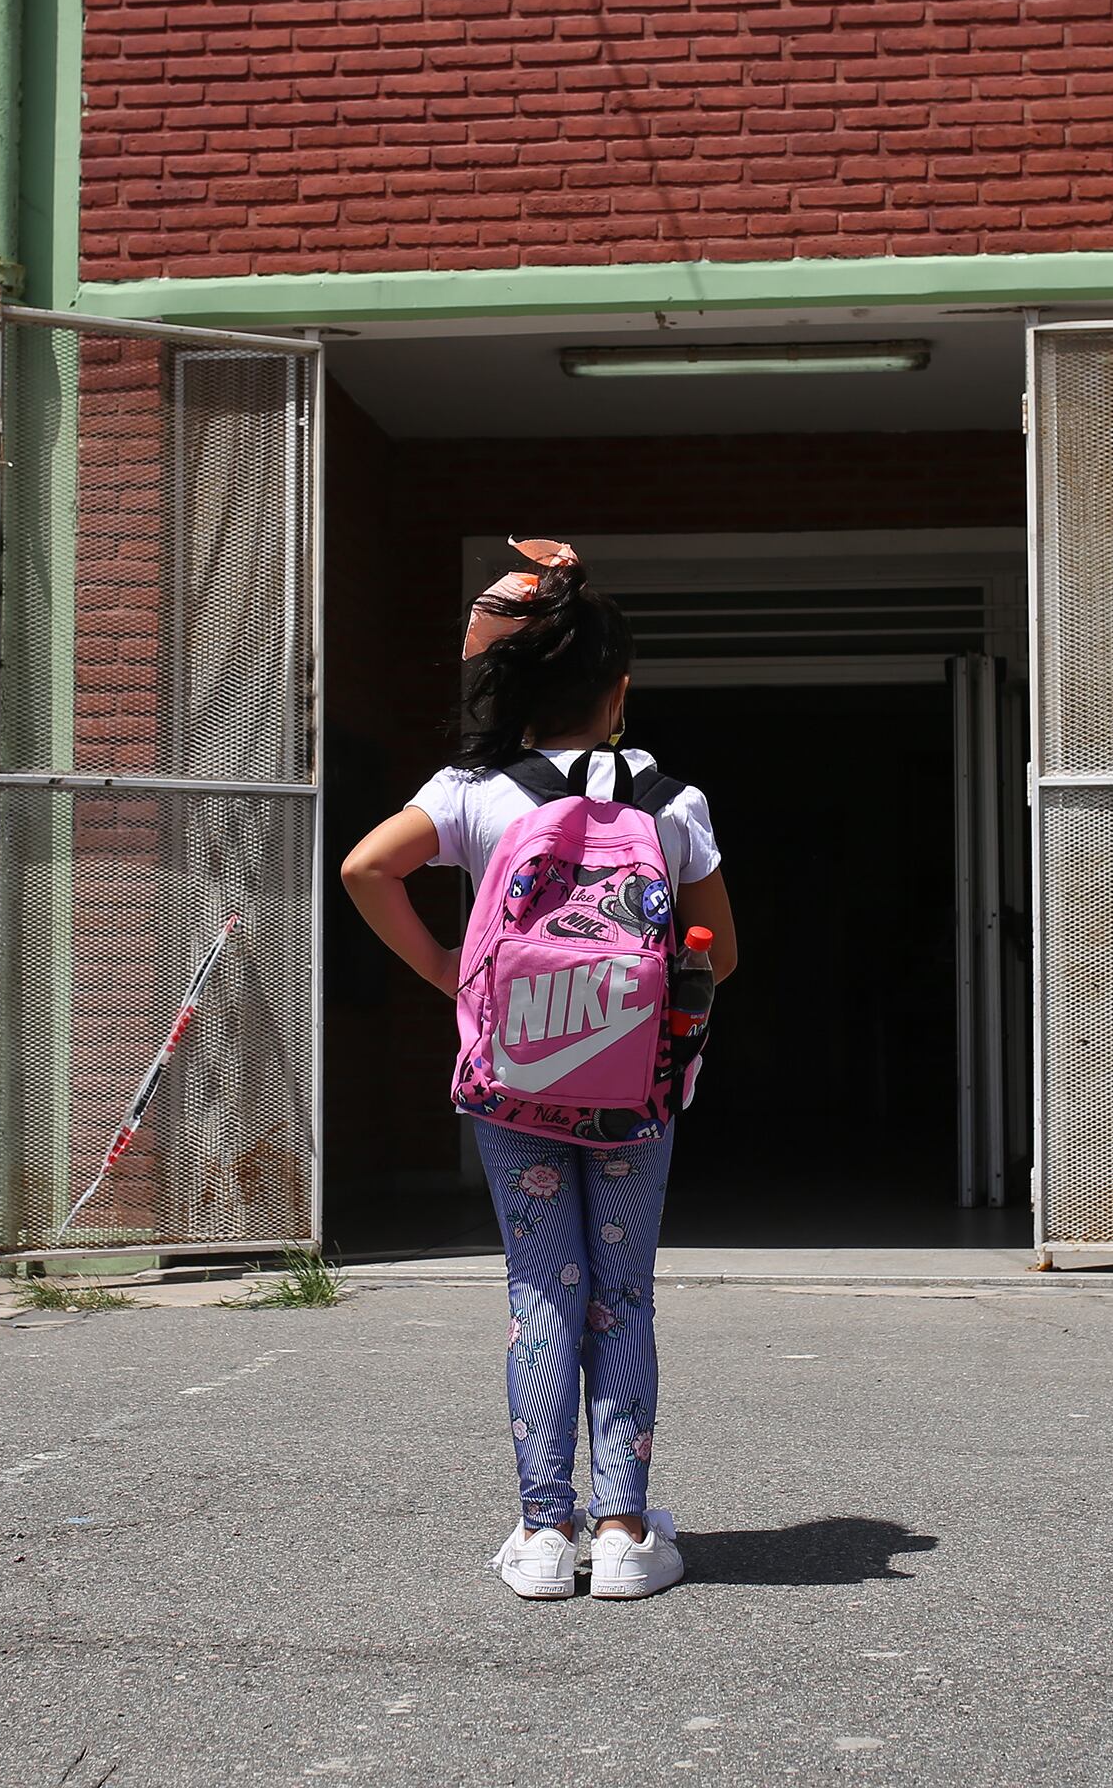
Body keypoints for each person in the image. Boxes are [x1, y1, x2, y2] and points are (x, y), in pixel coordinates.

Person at [340, 539, 739, 1601]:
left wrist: (449, 970)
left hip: (513, 1085)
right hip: (637, 1093)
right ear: (620, 693)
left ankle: (542, 1532)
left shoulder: (473, 792)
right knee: (624, 1293)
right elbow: (725, 955)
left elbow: (365, 867)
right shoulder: (673, 802)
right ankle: (625, 1531)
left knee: (541, 1290)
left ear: (513, 687)